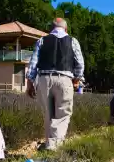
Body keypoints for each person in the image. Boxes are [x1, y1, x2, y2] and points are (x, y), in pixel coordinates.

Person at [26, 17, 85, 151]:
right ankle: (53, 147)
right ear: (66, 29)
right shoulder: (73, 41)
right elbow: (80, 64)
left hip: (44, 79)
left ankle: (49, 144)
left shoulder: (41, 40)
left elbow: (33, 65)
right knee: (63, 114)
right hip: (64, 79)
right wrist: (77, 79)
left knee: (48, 114)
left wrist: (30, 84)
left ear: (50, 29)